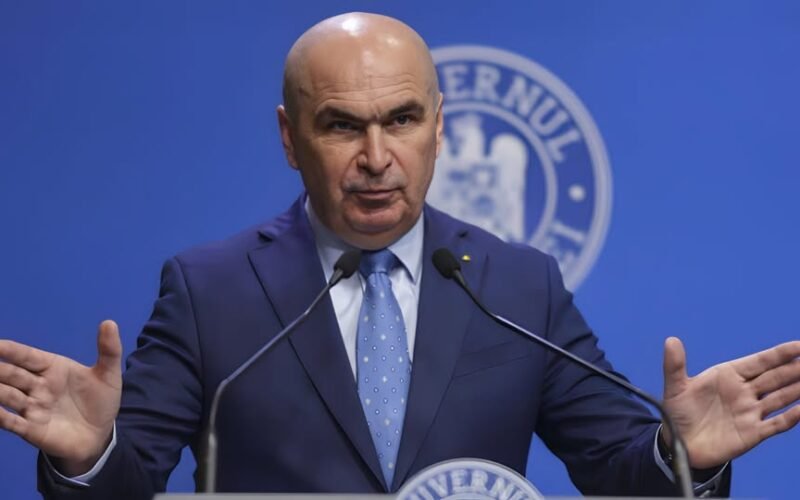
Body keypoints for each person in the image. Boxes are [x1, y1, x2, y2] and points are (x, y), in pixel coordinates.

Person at [1, 12, 799, 499]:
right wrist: (90, 457)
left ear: (439, 126)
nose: (378, 158)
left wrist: (680, 455)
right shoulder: (209, 291)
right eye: (342, 126)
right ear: (290, 138)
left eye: (403, 120)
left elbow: (623, 476)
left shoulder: (519, 285)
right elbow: (127, 483)